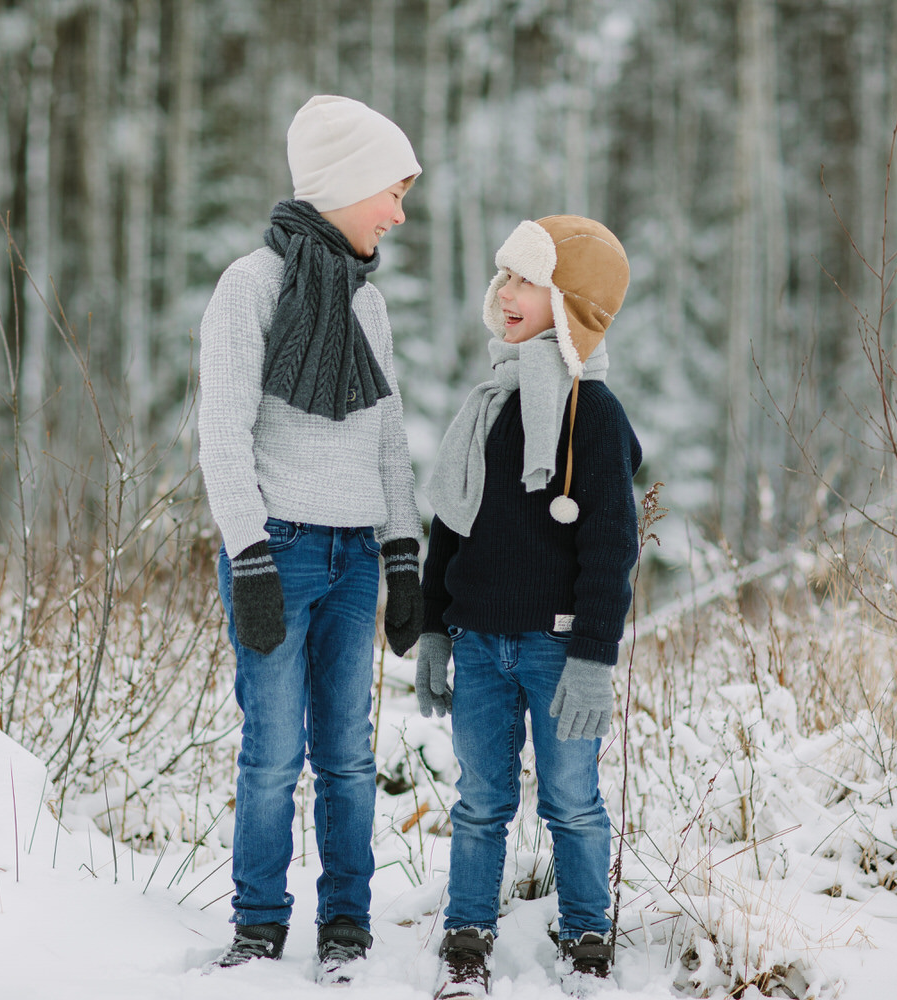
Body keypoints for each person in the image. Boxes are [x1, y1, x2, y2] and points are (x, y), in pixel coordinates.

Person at [196, 94, 425, 986]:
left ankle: (346, 926)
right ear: (346, 187)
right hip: (280, 552)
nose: (399, 214)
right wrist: (249, 554)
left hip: (355, 559)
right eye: (392, 193)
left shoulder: (368, 307)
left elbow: (388, 438)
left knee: (349, 754)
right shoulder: (249, 286)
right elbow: (222, 434)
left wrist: (402, 553)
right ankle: (258, 926)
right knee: (271, 754)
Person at [415, 216, 641, 997]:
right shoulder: (488, 402)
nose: (505, 293)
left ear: (571, 304)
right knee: (480, 799)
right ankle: (467, 933)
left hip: (557, 649)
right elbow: (452, 520)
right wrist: (437, 630)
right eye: (503, 276)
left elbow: (612, 548)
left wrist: (593, 660)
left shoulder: (594, 414)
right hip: (479, 641)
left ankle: (586, 936)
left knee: (572, 802)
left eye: (526, 281)